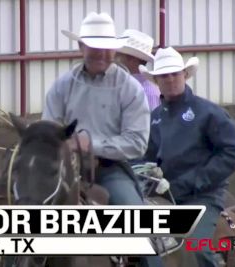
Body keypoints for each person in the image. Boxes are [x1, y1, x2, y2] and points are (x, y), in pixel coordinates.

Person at [42, 12, 163, 267]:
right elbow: (50, 130)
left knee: (139, 224)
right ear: (81, 47)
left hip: (110, 170)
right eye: (95, 47)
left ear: (115, 50)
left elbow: (137, 142)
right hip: (64, 171)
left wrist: (89, 145)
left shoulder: (129, 88)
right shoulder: (62, 86)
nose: (101, 54)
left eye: (107, 48)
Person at [139, 47, 235, 267]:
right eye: (164, 76)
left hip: (203, 196)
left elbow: (234, 152)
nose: (170, 79)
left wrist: (195, 181)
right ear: (156, 81)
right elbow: (147, 157)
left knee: (195, 249)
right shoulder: (155, 118)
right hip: (164, 196)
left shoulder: (209, 113)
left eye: (174, 74)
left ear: (185, 75)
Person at [116, 29, 161, 111]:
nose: (115, 59)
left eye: (118, 55)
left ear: (131, 58)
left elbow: (152, 122)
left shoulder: (148, 92)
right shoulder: (122, 84)